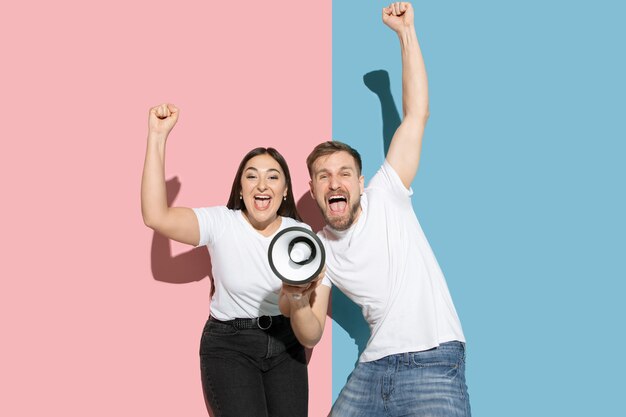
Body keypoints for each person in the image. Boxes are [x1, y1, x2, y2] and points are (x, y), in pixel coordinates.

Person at [284, 3, 472, 416]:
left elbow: (417, 115)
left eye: (344, 173)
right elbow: (311, 333)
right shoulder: (316, 250)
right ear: (312, 189)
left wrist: (405, 34)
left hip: (433, 360)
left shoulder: (386, 192)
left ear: (360, 182)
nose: (334, 182)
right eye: (323, 176)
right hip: (371, 371)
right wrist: (296, 301)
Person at [141, 103, 325, 417]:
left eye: (272, 177)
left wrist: (299, 296)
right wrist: (157, 137)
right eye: (251, 176)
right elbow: (156, 216)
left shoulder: (302, 236)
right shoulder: (220, 222)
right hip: (230, 346)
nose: (262, 185)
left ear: (284, 191)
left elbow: (307, 317)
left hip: (286, 345)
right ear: (240, 189)